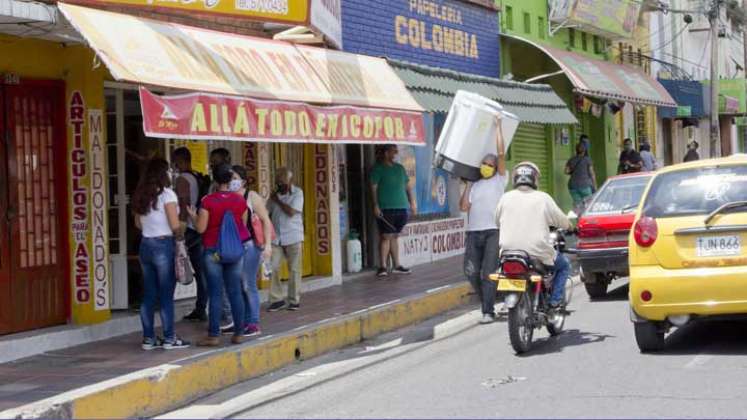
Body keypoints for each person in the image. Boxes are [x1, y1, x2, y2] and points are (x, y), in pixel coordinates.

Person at [494, 162, 572, 309]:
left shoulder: (505, 197)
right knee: (564, 266)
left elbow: (497, 221)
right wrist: (570, 226)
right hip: (537, 254)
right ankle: (555, 300)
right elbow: (561, 220)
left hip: (508, 254)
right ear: (534, 179)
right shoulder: (543, 198)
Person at [132, 158, 191, 350]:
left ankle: (148, 338)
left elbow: (138, 224)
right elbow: (175, 225)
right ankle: (169, 337)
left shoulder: (141, 195)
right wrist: (185, 225)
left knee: (148, 294)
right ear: (162, 174)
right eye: (169, 171)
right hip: (164, 245)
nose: (171, 174)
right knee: (166, 295)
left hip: (146, 245)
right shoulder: (167, 195)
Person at [188, 163, 249, 347]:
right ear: (230, 180)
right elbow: (242, 227)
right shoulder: (240, 200)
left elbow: (201, 228)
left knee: (215, 293)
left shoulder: (208, 201)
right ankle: (239, 333)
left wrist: (192, 215)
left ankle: (214, 335)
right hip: (235, 252)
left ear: (214, 179)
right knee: (235, 292)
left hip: (213, 251)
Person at [460, 120, 508, 324]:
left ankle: (487, 311)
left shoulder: (500, 180)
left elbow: (501, 154)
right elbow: (464, 207)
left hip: (492, 232)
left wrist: (498, 127)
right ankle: (490, 297)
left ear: (495, 168)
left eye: (490, 165)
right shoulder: (476, 185)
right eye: (484, 164)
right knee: (470, 271)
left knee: (488, 272)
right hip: (473, 233)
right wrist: (469, 185)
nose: (487, 167)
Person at [220, 165, 273, 336]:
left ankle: (254, 323)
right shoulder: (227, 196)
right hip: (233, 246)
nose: (231, 182)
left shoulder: (251, 196)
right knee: (234, 284)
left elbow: (265, 220)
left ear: (242, 180)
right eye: (229, 178)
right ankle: (240, 321)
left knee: (247, 283)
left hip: (250, 246)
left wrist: (268, 245)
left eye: (234, 178)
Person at [172, 147, 208, 323]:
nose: (175, 165)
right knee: (201, 271)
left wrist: (180, 230)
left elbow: (184, 205)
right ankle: (201, 307)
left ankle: (198, 308)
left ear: (182, 160)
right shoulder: (195, 177)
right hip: (198, 227)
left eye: (176, 161)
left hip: (189, 230)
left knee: (177, 267)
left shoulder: (182, 179)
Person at [370, 145, 417, 277]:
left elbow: (408, 187)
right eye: (393, 151)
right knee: (386, 236)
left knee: (395, 235)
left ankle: (397, 265)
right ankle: (383, 266)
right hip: (386, 208)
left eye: (396, 151)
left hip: (401, 207)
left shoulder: (400, 168)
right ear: (386, 153)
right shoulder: (378, 169)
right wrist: (375, 205)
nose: (396, 153)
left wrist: (412, 202)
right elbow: (373, 188)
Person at [267, 167, 305, 312]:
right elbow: (267, 212)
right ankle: (277, 299)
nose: (280, 185)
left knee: (294, 269)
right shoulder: (274, 195)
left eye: (283, 182)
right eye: (278, 182)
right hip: (277, 238)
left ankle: (294, 300)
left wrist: (277, 200)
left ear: (290, 182)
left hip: (293, 236)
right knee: (273, 267)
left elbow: (290, 212)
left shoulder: (298, 193)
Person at [565, 142, 597, 213]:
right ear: (584, 150)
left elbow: (566, 171)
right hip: (585, 185)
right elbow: (592, 173)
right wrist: (595, 186)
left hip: (573, 186)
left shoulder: (571, 159)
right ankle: (587, 221)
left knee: (578, 206)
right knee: (589, 205)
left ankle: (579, 222)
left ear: (576, 150)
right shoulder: (587, 159)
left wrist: (573, 172)